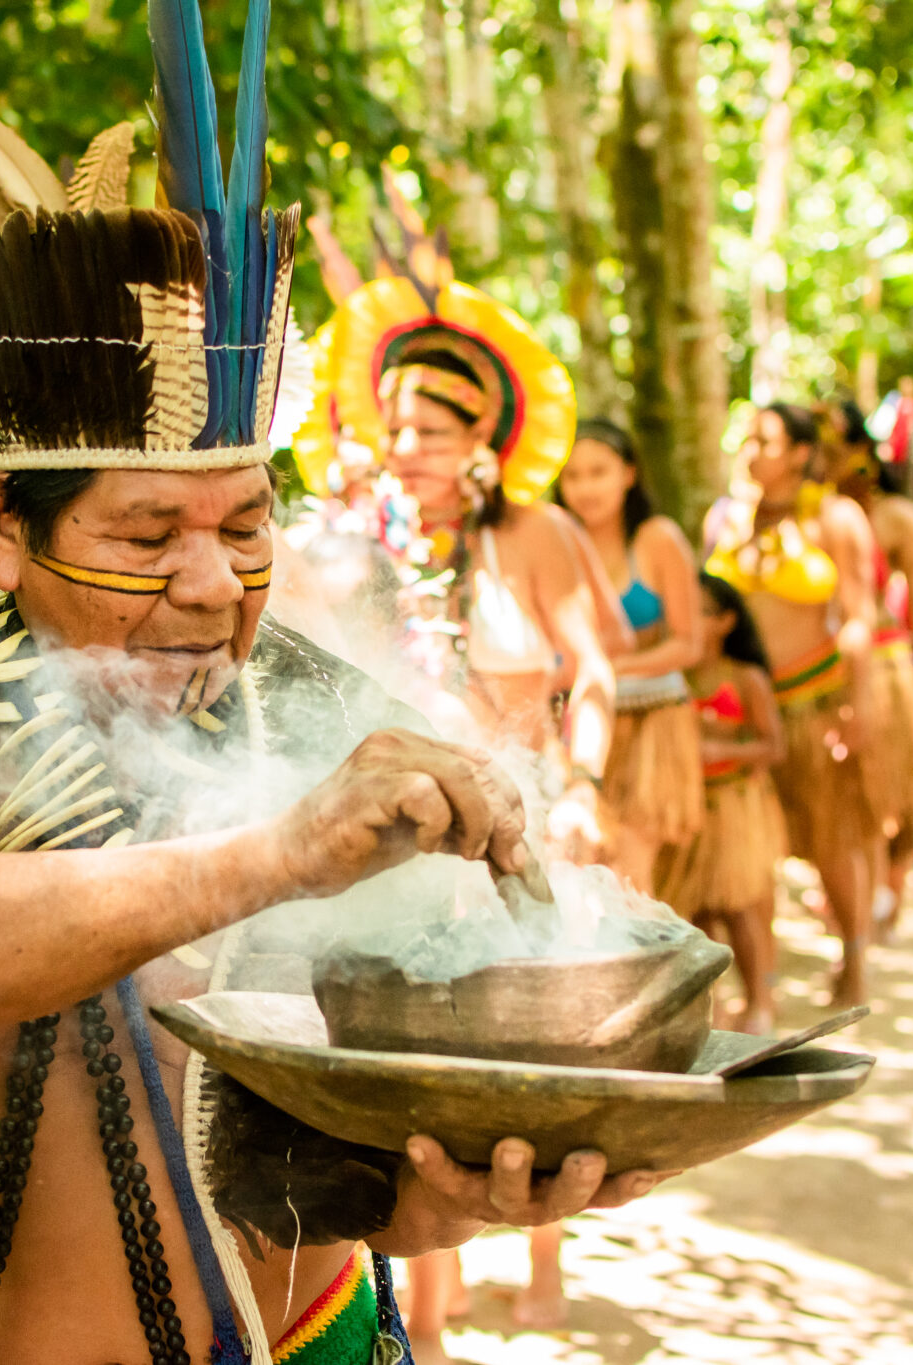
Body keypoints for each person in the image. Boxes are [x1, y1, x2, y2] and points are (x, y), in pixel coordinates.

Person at [0, 21, 667, 1364]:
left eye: (247, 527)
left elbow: (347, 1178)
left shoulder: (314, 710)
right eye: (146, 536)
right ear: (3, 524)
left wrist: (457, 1192)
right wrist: (273, 856)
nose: (212, 585)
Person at [285, 206, 625, 1357]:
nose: (411, 446)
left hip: (538, 834)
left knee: (542, 1057)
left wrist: (578, 785)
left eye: (434, 429)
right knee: (421, 1067)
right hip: (409, 845)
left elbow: (595, 679)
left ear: (482, 439)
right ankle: (421, 1319)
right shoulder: (353, 539)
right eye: (395, 427)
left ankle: (541, 1253)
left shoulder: (536, 538)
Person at [704, 403, 881, 1007]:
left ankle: (854, 956)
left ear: (802, 453)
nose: (752, 452)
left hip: (814, 705)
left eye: (767, 442)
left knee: (832, 841)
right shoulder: (725, 519)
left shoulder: (837, 518)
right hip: (738, 711)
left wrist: (861, 704)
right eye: (747, 440)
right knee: (749, 851)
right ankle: (763, 990)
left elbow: (860, 617)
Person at [818, 397, 913, 934]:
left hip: (884, 668)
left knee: (887, 796)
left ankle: (885, 894)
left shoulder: (893, 517)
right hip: (816, 679)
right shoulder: (793, 516)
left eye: (835, 444)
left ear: (859, 452)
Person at [552, 418, 705, 893]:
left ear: (629, 473)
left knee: (631, 878)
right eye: (572, 476)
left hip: (652, 727)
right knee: (579, 873)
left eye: (598, 472)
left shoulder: (657, 539)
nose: (585, 488)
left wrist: (607, 670)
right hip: (575, 730)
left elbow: (689, 643)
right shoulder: (553, 540)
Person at [655, 572, 786, 1035]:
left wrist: (724, 753)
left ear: (727, 621)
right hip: (686, 807)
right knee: (695, 909)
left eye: (702, 610)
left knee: (741, 907)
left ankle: (760, 1004)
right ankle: (708, 1006)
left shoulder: (744, 677)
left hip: (735, 804)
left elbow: (774, 746)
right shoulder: (671, 676)